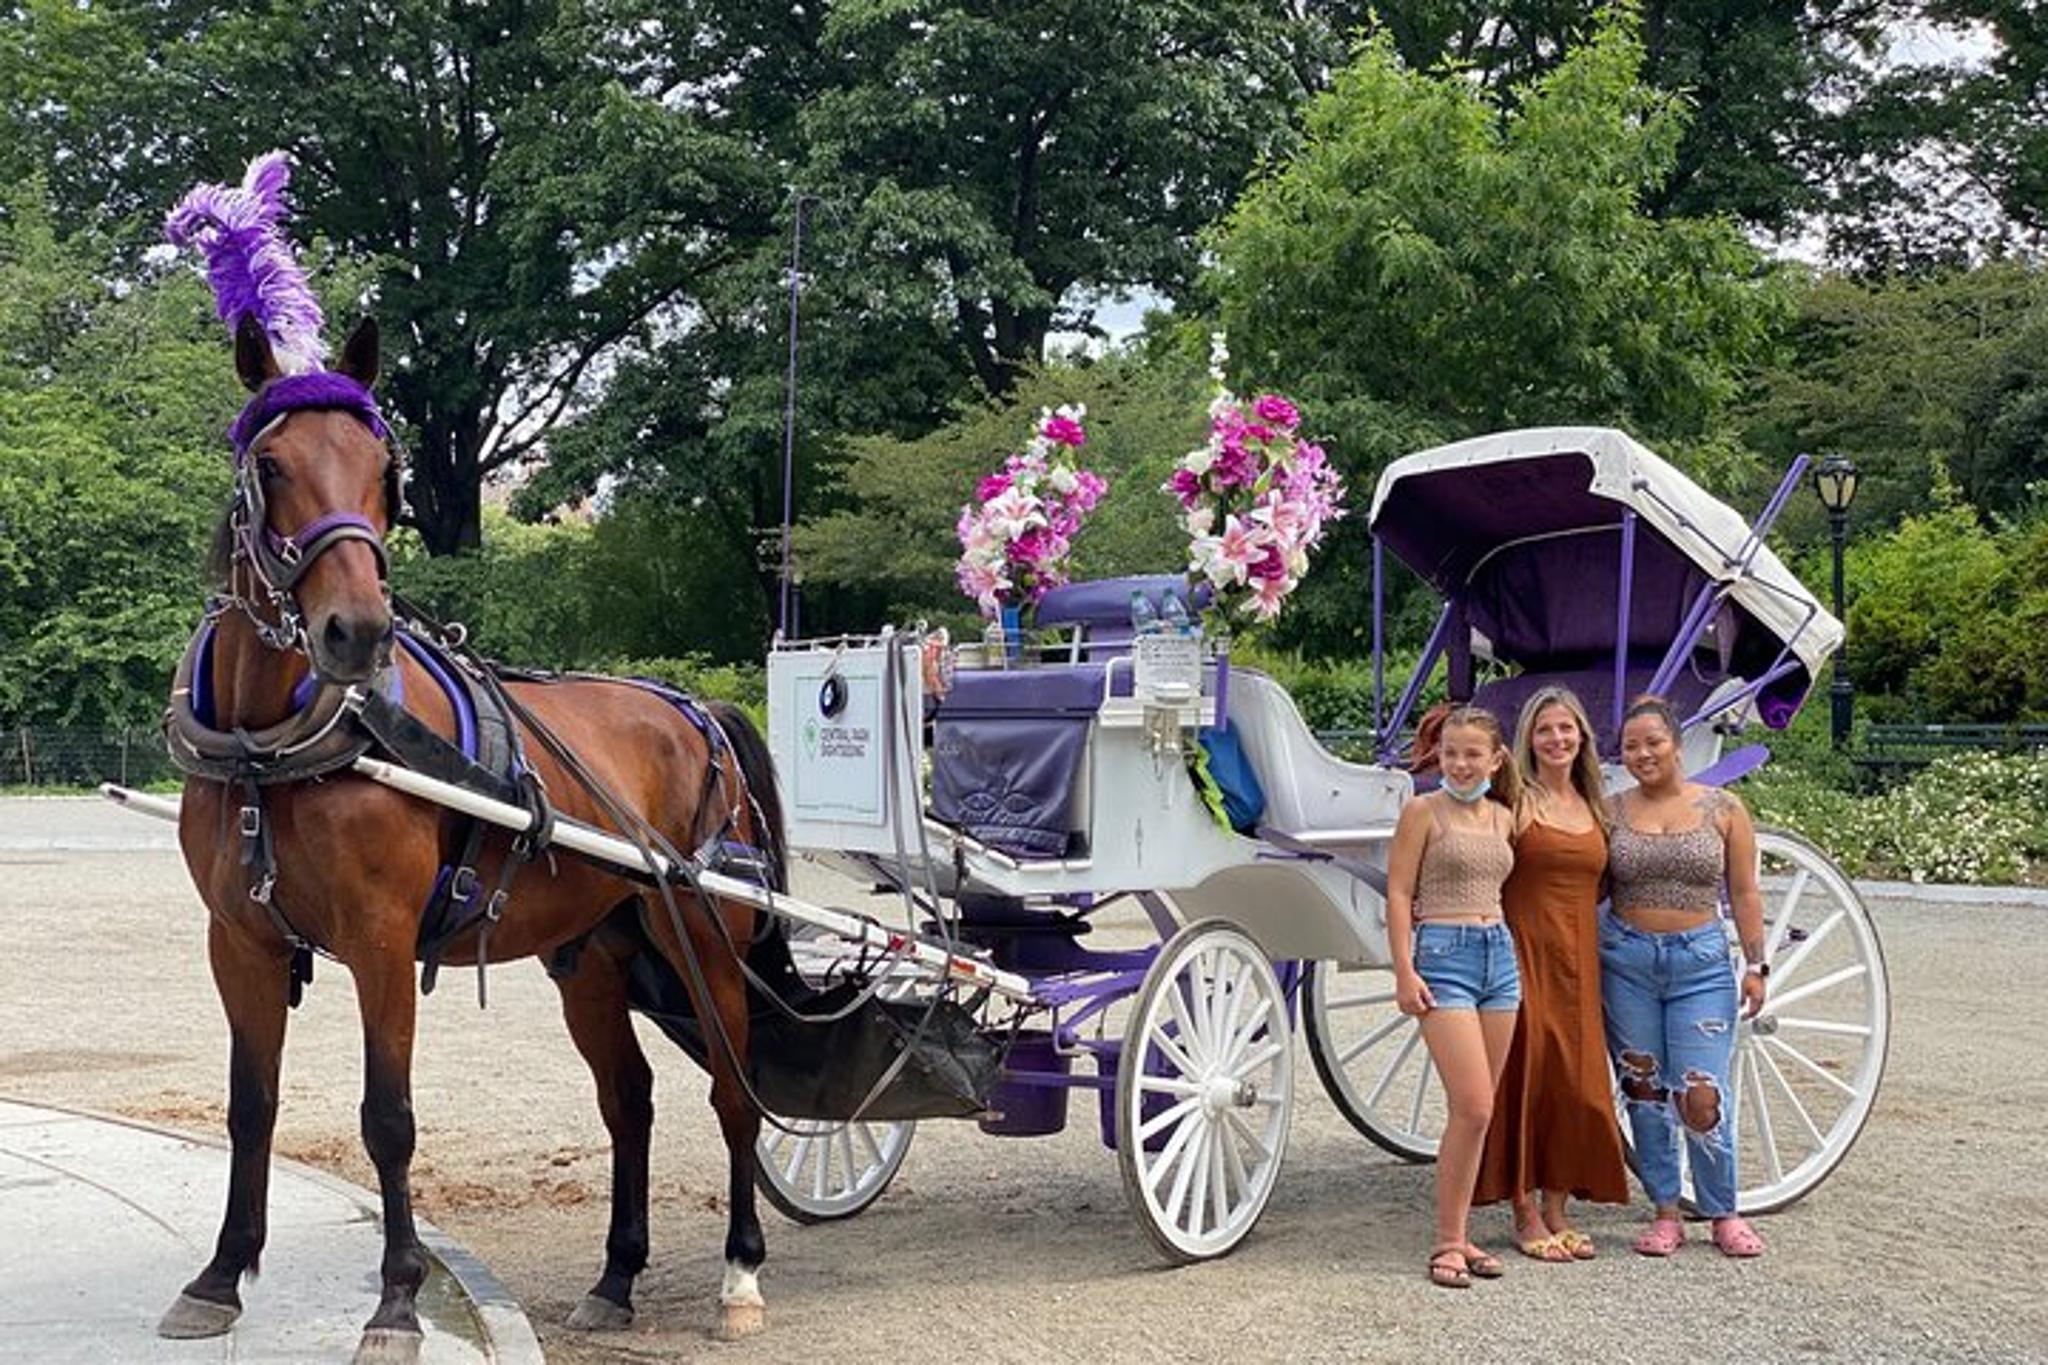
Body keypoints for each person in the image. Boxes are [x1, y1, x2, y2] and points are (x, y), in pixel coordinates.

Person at [1603, 695, 1770, 1258]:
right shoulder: (1612, 811)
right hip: (1627, 962)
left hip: (1699, 961)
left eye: (1653, 741)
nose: (1643, 753)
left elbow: (1745, 892)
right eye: (1631, 746)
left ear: (1676, 743)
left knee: (1701, 1091)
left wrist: (1756, 963)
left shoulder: (1724, 809)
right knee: (1643, 1088)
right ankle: (1666, 1208)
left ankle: (1723, 1209)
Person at [1475, 687, 1630, 1261]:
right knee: (1527, 1072)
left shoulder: (1598, 808)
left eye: (1566, 728)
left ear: (1582, 737)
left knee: (1577, 1078)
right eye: (1545, 730)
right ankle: (1522, 1205)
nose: (1557, 739)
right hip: (1522, 949)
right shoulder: (1516, 801)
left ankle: (1559, 1205)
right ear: (1529, 740)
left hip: (1580, 960)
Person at [1385, 706, 1523, 1288]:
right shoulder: (1423, 811)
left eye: (1472, 754)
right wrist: (1403, 969)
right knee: (1474, 1106)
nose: (1460, 764)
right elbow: (1397, 890)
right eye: (1450, 753)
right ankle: (1446, 1241)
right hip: (1445, 955)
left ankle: (1461, 1236)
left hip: (1500, 957)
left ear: (1495, 759)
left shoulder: (1503, 817)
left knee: (1477, 1111)